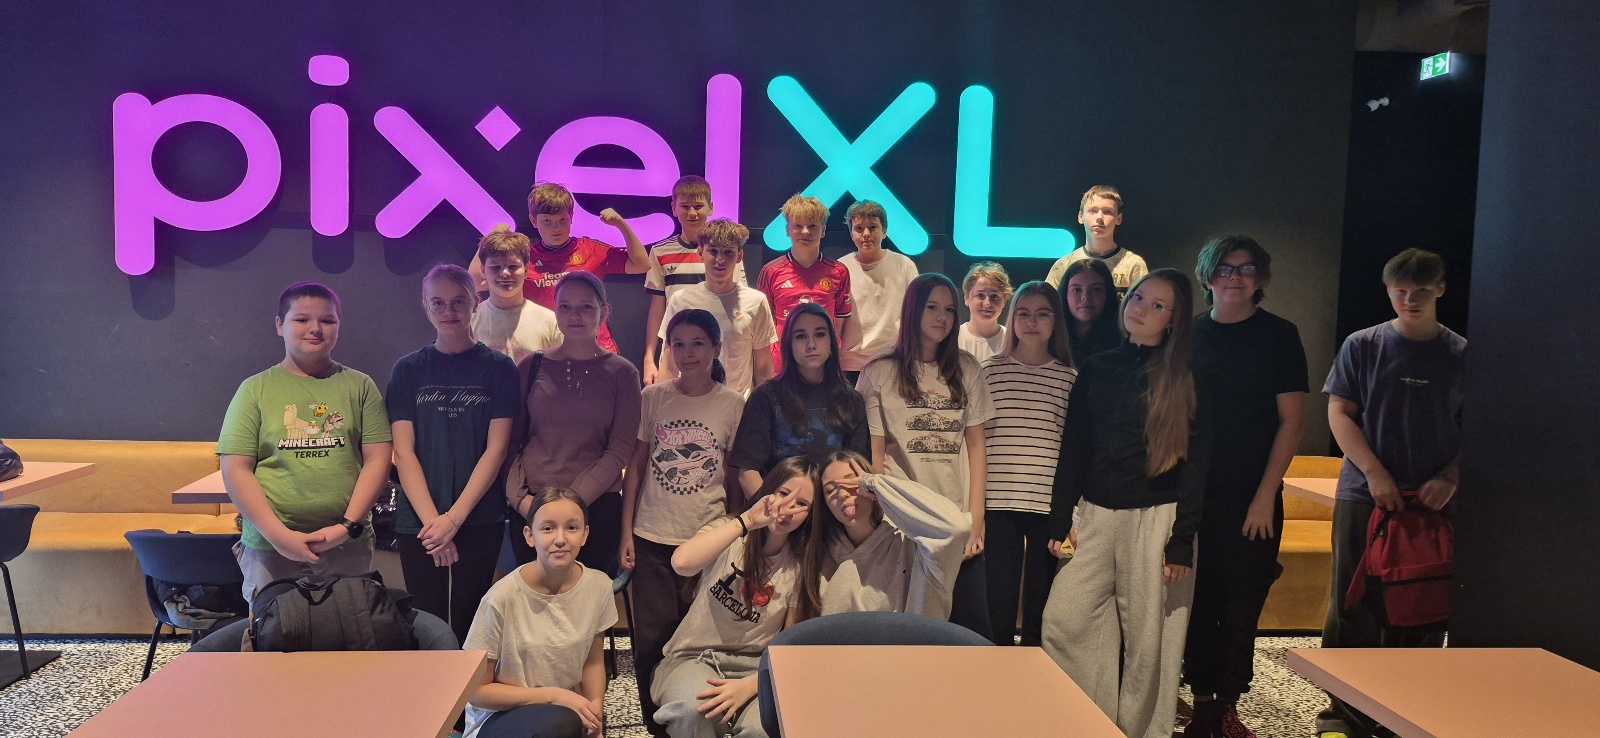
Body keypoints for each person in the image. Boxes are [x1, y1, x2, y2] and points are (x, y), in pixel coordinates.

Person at [1041, 268, 1209, 738]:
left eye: (1158, 305)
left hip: (1158, 521)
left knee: (1150, 645)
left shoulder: (1187, 378)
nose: (1141, 309)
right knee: (1064, 620)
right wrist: (1060, 517)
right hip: (1095, 514)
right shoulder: (1097, 367)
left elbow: (1197, 466)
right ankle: (1090, 725)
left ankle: (1142, 733)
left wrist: (1182, 540)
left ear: (1173, 320)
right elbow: (1074, 448)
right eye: (1138, 297)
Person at [1317, 248, 1464, 738]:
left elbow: (1483, 428)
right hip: (1364, 493)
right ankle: (1343, 717)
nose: (1409, 300)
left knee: (1423, 603)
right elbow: (1339, 413)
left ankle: (1406, 713)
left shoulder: (1462, 353)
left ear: (1440, 290)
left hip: (1432, 501)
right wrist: (1374, 473)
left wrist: (1450, 477)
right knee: (1351, 603)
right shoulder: (1363, 345)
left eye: (1420, 291)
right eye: (1399, 291)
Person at [1181, 236, 1308, 738]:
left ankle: (1229, 704)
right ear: (1208, 276)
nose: (1235, 278)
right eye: (1225, 269)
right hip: (1195, 496)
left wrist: (1264, 497)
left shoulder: (1280, 335)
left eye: (1246, 268)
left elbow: (1291, 423)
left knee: (1241, 605)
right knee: (1198, 602)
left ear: (1261, 278)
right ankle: (1202, 704)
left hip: (1255, 496)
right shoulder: (1187, 335)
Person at [217, 282, 392, 600]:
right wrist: (280, 537)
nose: (316, 328)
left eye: (328, 320)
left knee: (349, 627)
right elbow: (236, 469)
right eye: (301, 319)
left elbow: (378, 461)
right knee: (273, 629)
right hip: (270, 548)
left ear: (339, 326)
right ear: (280, 325)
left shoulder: (361, 387)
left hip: (347, 545)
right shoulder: (254, 389)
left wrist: (345, 527)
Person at [620, 308, 746, 738]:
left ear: (716, 348)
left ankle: (697, 723)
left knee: (697, 642)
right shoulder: (653, 397)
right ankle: (657, 728)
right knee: (652, 641)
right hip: (652, 537)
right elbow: (637, 466)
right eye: (678, 344)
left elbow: (733, 476)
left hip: (707, 540)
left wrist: (733, 529)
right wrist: (626, 531)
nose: (687, 353)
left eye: (697, 344)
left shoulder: (732, 404)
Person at [855, 273, 994, 640]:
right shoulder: (880, 370)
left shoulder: (967, 369)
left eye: (949, 309)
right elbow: (875, 454)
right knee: (908, 632)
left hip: (956, 519)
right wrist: (882, 518)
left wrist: (976, 519)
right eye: (932, 307)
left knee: (970, 634)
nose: (942, 317)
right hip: (905, 521)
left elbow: (977, 447)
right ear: (913, 310)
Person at [387, 264, 520, 643]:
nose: (449, 311)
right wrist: (436, 526)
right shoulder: (407, 370)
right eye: (439, 303)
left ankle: (471, 687)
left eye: (459, 301)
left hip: (479, 517)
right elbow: (403, 453)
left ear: (475, 303)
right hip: (420, 522)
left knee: (471, 623)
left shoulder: (500, 368)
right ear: (425, 305)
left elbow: (496, 449)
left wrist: (454, 520)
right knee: (425, 625)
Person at [650, 458, 818, 738]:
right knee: (694, 711)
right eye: (784, 493)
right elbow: (682, 563)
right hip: (694, 658)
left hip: (755, 668)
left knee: (762, 729)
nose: (788, 508)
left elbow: (788, 643)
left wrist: (752, 684)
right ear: (769, 490)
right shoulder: (731, 529)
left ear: (811, 516)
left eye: (802, 504)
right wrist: (748, 520)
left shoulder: (801, 566)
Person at [505, 271, 641, 573]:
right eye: (565, 307)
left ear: (604, 311)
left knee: (585, 599)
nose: (574, 315)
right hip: (532, 508)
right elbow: (511, 444)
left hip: (594, 509)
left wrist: (569, 505)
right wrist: (522, 502)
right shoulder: (530, 366)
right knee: (534, 597)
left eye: (585, 307)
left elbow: (619, 451)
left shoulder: (623, 373)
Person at [462, 488, 616, 738]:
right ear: (529, 535)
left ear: (585, 534)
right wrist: (553, 696)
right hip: (501, 716)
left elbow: (593, 661)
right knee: (558, 723)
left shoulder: (599, 586)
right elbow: (477, 692)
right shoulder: (502, 597)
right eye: (548, 528)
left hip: (564, 712)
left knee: (563, 723)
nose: (560, 539)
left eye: (572, 528)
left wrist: (595, 708)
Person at [981, 281, 1077, 646]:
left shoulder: (1068, 377)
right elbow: (977, 443)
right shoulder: (988, 371)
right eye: (1023, 313)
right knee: (998, 602)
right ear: (1012, 318)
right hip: (998, 502)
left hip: (1047, 505)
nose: (1031, 322)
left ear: (1056, 321)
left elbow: (1073, 452)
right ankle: (997, 670)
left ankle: (1035, 672)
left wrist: (1071, 514)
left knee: (1041, 603)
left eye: (1042, 314)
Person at [468, 182, 651, 354]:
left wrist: (621, 224)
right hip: (548, 348)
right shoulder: (525, 258)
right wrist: (490, 239)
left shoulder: (590, 249)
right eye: (547, 221)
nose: (556, 228)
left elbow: (642, 264)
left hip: (596, 346)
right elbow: (475, 281)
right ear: (533, 220)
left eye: (562, 219)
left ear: (571, 217)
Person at [729, 302, 870, 502]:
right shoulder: (765, 397)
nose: (811, 344)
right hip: (778, 509)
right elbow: (747, 472)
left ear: (832, 342)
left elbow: (858, 469)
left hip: (835, 508)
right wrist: (775, 512)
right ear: (789, 344)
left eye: (820, 334)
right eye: (801, 336)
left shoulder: (851, 400)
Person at [810, 450, 969, 619]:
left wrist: (875, 483)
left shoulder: (914, 546)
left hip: (912, 636)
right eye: (830, 490)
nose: (842, 494)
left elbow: (955, 528)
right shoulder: (823, 554)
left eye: (851, 481)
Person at [641, 176, 748, 384]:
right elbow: (657, 308)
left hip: (718, 348)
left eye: (698, 206)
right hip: (677, 350)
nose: (692, 213)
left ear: (711, 208)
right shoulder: (661, 252)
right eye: (685, 206)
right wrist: (649, 358)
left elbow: (738, 302)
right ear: (674, 208)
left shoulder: (727, 254)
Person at [659, 219, 777, 394]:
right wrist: (663, 404)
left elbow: (763, 366)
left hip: (738, 404)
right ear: (701, 253)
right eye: (713, 251)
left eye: (728, 252)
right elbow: (669, 364)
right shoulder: (681, 300)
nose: (720, 260)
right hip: (691, 403)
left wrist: (768, 407)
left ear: (739, 257)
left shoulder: (756, 301)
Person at [756, 194, 856, 374]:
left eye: (812, 226)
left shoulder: (839, 271)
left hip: (825, 366)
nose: (805, 232)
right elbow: (764, 324)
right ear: (788, 230)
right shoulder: (771, 271)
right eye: (798, 226)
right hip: (782, 366)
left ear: (823, 231)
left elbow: (839, 322)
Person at [837, 200, 918, 382]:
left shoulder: (904, 266)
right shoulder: (840, 268)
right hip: (850, 365)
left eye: (873, 227)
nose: (866, 234)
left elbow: (915, 315)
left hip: (893, 362)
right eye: (859, 228)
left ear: (884, 231)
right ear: (851, 233)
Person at [471, 225, 562, 363]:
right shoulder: (469, 321)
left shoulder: (549, 321)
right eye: (495, 267)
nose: (505, 273)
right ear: (483, 271)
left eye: (513, 266)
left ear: (526, 270)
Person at [1044, 185, 1148, 296]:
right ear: (1081, 217)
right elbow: (1047, 303)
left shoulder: (1133, 264)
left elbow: (1144, 303)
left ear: (1119, 218)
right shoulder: (1063, 265)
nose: (1099, 217)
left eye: (1107, 212)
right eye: (1093, 211)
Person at [1058, 258, 1123, 362]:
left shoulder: (1122, 343)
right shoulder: (1050, 339)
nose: (1086, 297)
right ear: (1065, 294)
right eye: (1077, 290)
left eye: (1096, 289)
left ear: (1108, 294)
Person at [958, 262, 1012, 364]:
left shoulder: (1011, 341)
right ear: (966, 298)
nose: (987, 303)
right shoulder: (953, 338)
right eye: (980, 295)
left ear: (1004, 301)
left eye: (994, 296)